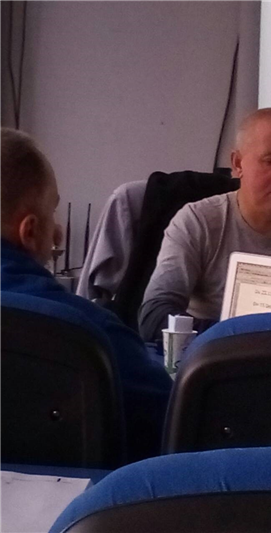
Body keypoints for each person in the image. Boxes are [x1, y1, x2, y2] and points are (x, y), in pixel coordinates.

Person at [0, 128, 172, 462]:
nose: (58, 231)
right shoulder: (87, 333)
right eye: (52, 212)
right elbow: (176, 422)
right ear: (30, 231)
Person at [139, 108, 271, 341]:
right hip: (217, 355)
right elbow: (154, 315)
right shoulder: (198, 222)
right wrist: (238, 337)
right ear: (238, 163)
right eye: (270, 161)